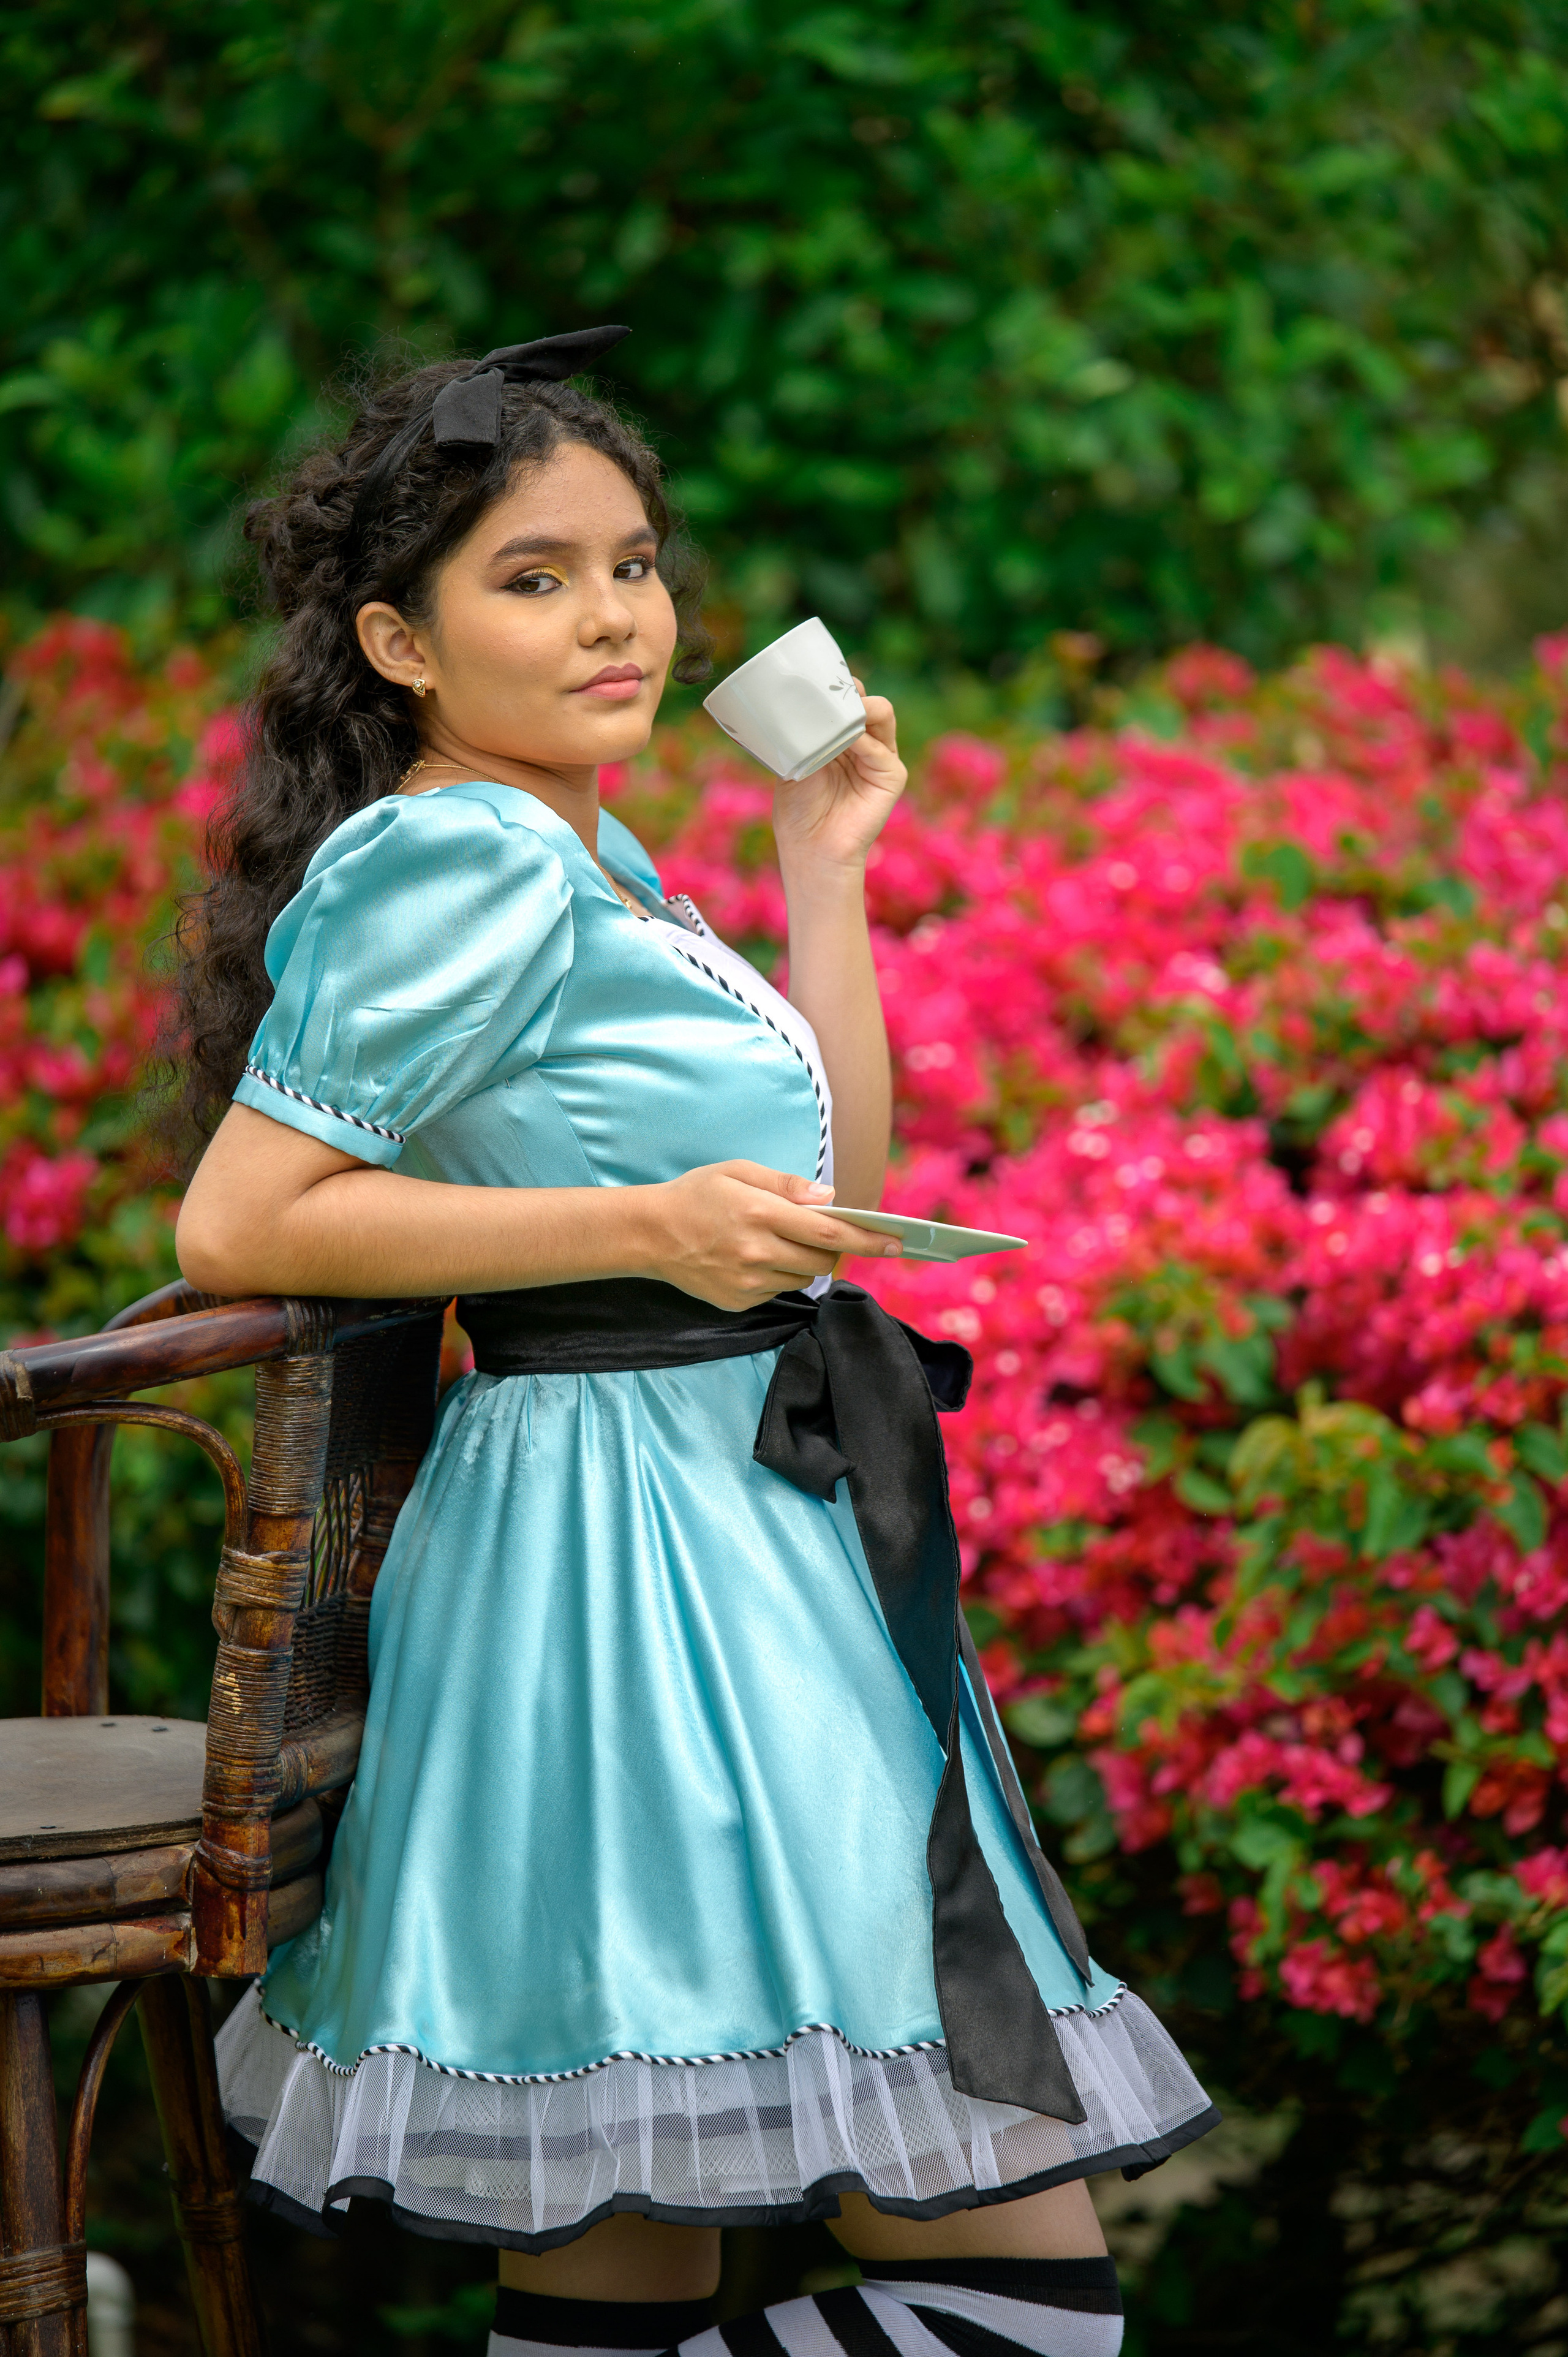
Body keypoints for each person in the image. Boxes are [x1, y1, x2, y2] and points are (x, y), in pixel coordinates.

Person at [175, 329, 1217, 2357]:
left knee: (622, 2272)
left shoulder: (589, 859)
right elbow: (244, 1217)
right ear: (400, 644)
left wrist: (825, 866)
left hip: (726, 1528)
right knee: (1019, 2309)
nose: (616, 618)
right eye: (536, 577)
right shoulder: (452, 856)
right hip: (631, 1567)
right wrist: (644, 1224)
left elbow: (837, 1197)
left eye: (634, 566)